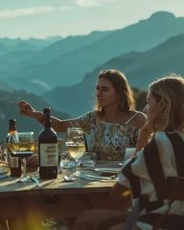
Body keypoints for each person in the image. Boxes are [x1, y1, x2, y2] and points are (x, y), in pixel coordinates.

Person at [53, 74, 184, 230]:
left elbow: (118, 197)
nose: (146, 109)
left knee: (86, 220)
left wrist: (145, 134)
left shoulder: (160, 143)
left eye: (149, 103)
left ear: (163, 106)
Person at [18, 69, 147, 162]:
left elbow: (147, 157)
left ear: (119, 94)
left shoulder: (137, 120)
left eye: (105, 89)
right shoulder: (93, 118)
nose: (99, 93)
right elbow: (60, 126)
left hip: (123, 181)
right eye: (97, 88)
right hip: (92, 178)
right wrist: (35, 114)